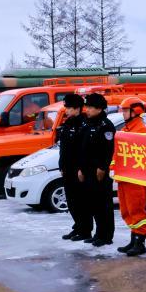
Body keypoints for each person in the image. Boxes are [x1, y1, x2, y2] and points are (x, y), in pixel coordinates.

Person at [79, 92, 117, 247]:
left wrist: (102, 167)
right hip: (87, 170)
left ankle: (106, 235)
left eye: (90, 107)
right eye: (86, 107)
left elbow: (108, 150)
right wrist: (81, 169)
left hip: (99, 171)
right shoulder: (88, 124)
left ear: (99, 108)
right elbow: (83, 149)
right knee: (93, 203)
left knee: (103, 204)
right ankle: (98, 233)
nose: (87, 110)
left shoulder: (106, 125)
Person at [114, 97, 146, 256]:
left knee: (136, 210)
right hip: (125, 177)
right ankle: (133, 240)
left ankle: (139, 243)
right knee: (127, 210)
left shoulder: (141, 130)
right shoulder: (127, 129)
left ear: (135, 111)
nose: (123, 113)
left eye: (125, 110)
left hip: (135, 178)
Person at [57, 92, 90, 241]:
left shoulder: (83, 124)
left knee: (81, 201)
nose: (66, 110)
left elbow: (84, 150)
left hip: (78, 170)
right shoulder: (68, 123)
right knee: (71, 201)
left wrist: (82, 168)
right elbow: (63, 147)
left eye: (69, 107)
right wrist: (61, 165)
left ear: (77, 108)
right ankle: (77, 227)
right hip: (67, 168)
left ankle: (85, 230)